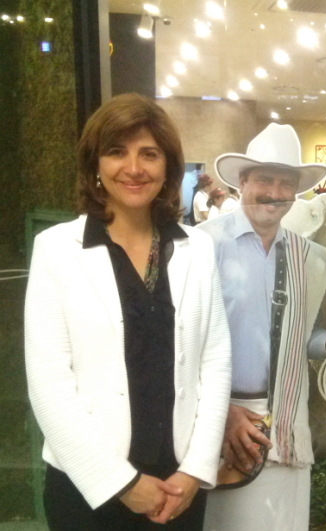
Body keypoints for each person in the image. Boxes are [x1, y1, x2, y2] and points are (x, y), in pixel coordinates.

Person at [25, 93, 232, 531]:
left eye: (149, 154)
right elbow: (49, 385)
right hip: (87, 488)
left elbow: (214, 363)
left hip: (178, 487)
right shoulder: (57, 250)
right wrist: (120, 482)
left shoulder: (197, 249)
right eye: (116, 152)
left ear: (168, 168)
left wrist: (195, 469)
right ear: (95, 165)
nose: (134, 168)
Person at [200, 123, 326, 531]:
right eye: (264, 179)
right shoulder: (201, 246)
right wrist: (221, 412)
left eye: (286, 183)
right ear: (243, 182)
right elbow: (183, 347)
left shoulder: (311, 257)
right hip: (222, 422)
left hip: (286, 421)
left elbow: (300, 339)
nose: (275, 192)